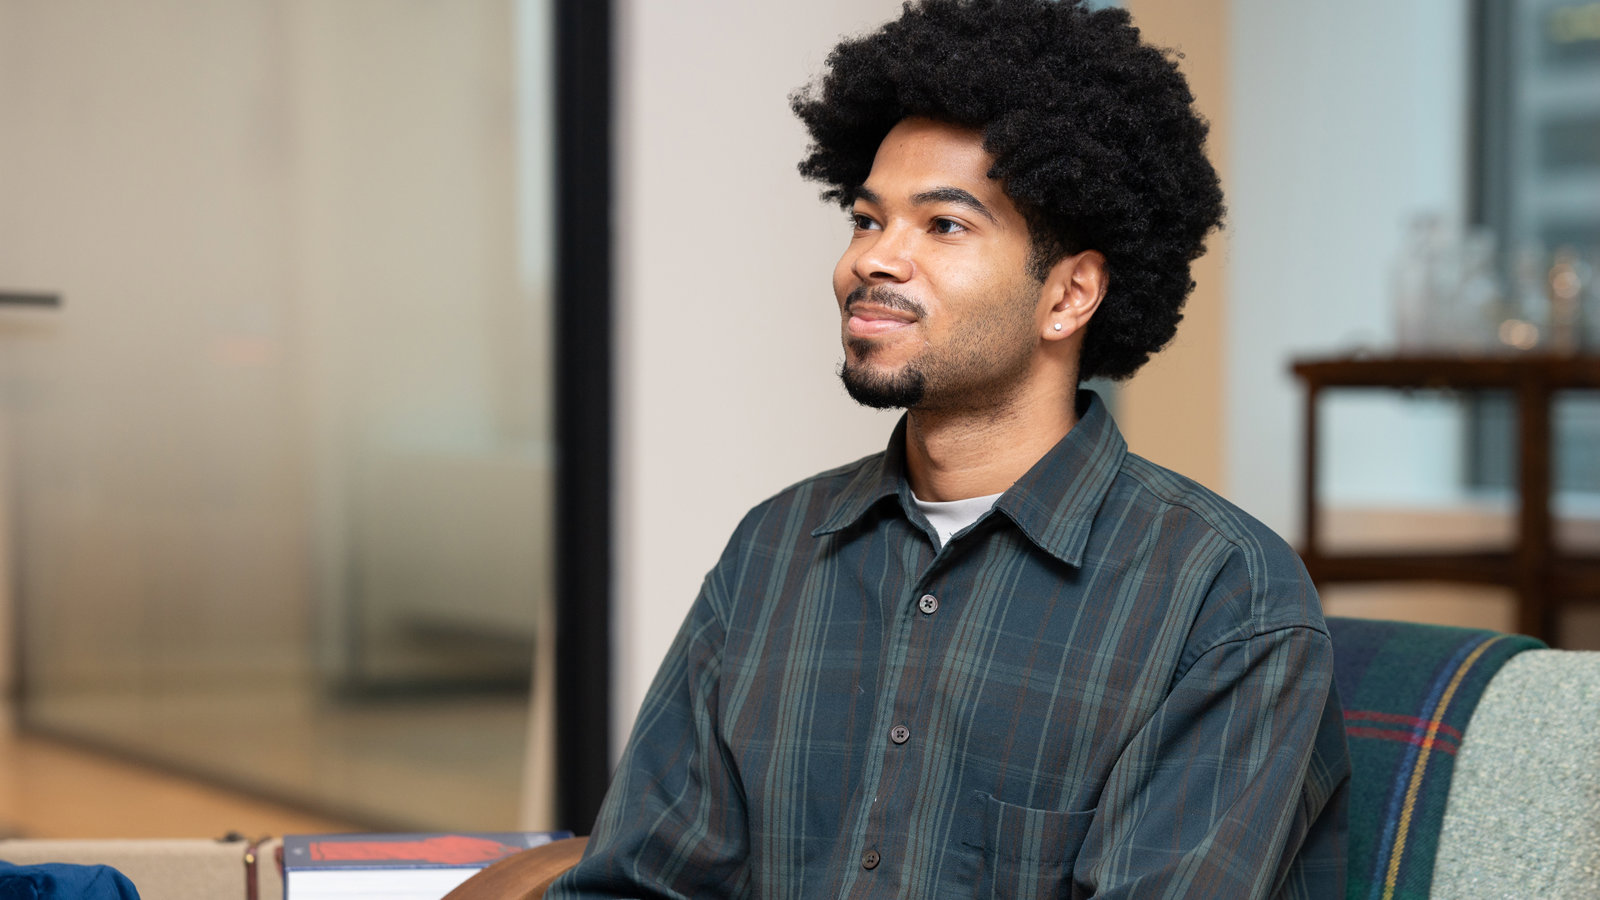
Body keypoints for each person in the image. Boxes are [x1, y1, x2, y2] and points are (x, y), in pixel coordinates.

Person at [549, 0, 1348, 896]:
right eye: (865, 219)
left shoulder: (1222, 597)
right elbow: (634, 885)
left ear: (1069, 295)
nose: (874, 261)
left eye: (944, 225)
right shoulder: (772, 552)